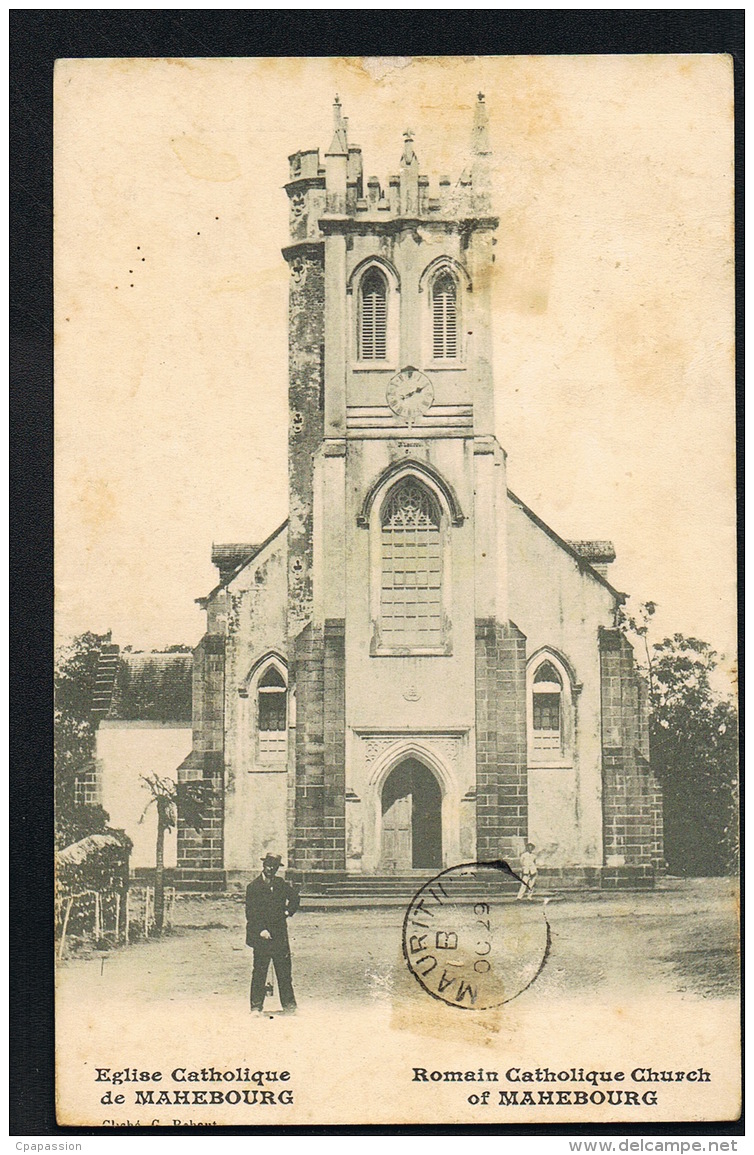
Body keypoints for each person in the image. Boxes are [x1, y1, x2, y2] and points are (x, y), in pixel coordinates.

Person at [245, 853, 300, 1014]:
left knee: (284, 971)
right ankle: (256, 1006)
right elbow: (251, 913)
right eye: (269, 865)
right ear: (264, 865)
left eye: (275, 866)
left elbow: (295, 898)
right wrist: (261, 930)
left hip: (279, 935)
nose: (271, 869)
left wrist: (287, 912)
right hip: (261, 936)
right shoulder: (253, 887)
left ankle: (289, 1006)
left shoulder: (280, 884)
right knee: (260, 971)